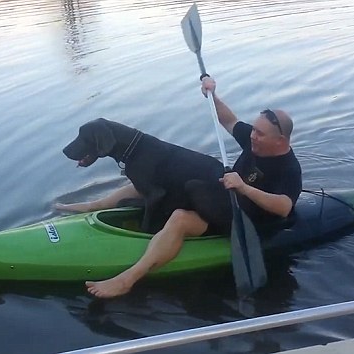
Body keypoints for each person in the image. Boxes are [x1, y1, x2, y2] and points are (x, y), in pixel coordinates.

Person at [55, 76, 302, 298]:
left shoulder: (289, 168)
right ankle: (92, 206)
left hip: (249, 221)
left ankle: (127, 279)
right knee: (145, 184)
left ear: (280, 140)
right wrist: (212, 94)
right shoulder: (255, 140)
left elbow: (283, 207)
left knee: (180, 218)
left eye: (259, 134)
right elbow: (230, 120)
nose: (252, 136)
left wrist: (245, 188)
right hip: (225, 199)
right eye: (254, 130)